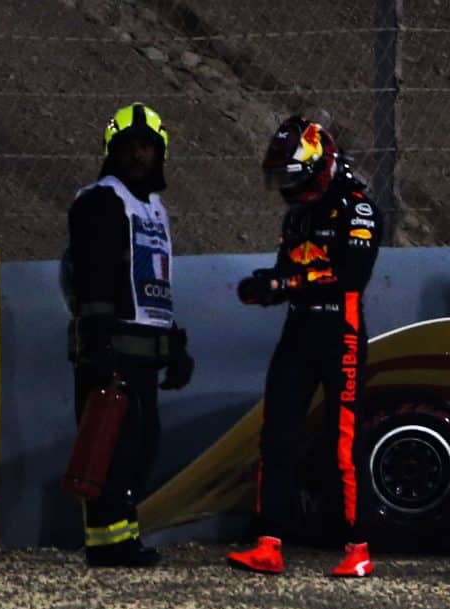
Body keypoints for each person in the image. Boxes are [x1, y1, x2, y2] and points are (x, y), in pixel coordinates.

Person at [229, 115, 379, 578]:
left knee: (343, 443)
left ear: (319, 166)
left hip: (342, 335)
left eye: (292, 178)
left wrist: (285, 281)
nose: (285, 189)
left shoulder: (359, 207)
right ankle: (268, 543)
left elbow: (352, 276)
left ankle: (358, 549)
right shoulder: (296, 214)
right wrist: (266, 288)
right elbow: (288, 274)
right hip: (298, 333)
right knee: (276, 436)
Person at [64, 102, 193, 567]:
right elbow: (94, 276)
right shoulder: (101, 200)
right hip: (111, 346)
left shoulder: (154, 209)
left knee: (141, 446)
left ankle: (124, 535)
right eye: (130, 147)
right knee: (110, 446)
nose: (139, 155)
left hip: (143, 346)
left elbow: (153, 283)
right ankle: (106, 544)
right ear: (112, 152)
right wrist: (98, 343)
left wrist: (172, 344)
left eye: (147, 146)